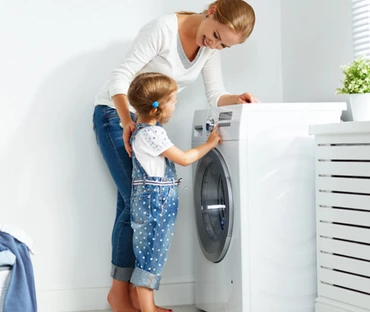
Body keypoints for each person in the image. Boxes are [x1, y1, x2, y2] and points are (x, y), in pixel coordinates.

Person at [92, 1, 257, 311]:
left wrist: (237, 98)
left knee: (131, 203)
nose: (215, 44)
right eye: (216, 35)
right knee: (135, 203)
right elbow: (120, 77)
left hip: (143, 125)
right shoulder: (162, 29)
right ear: (213, 10)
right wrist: (128, 122)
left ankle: (128, 293)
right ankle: (121, 294)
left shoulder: (210, 49)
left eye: (224, 44)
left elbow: (215, 94)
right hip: (116, 116)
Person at [127, 72, 222, 312]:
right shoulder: (153, 134)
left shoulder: (139, 131)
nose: (175, 104)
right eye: (173, 101)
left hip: (148, 200)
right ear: (156, 109)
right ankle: (147, 310)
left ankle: (150, 306)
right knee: (151, 257)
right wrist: (209, 144)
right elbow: (183, 158)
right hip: (155, 203)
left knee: (148, 254)